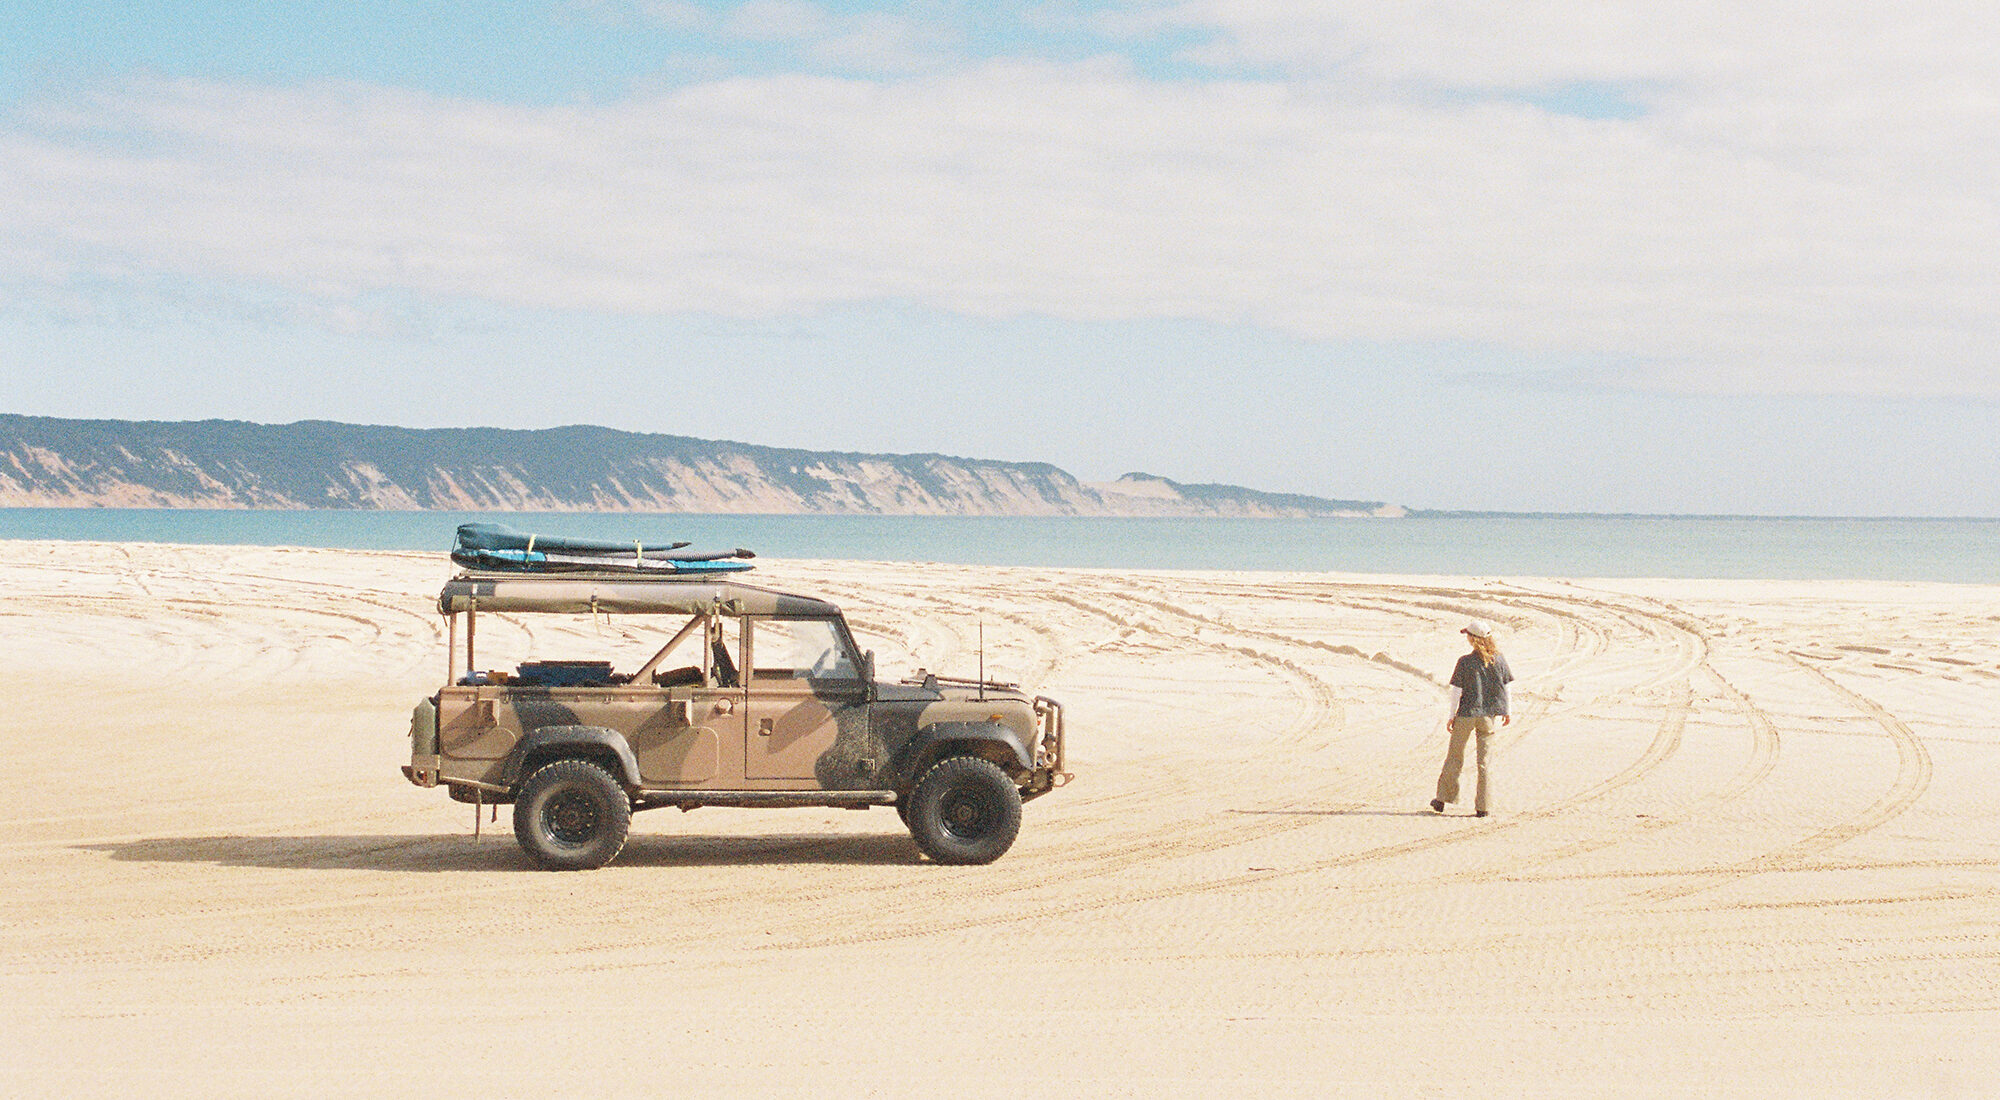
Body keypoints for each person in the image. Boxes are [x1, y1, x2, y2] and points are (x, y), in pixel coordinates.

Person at [1430, 619, 1512, 817]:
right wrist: (1507, 711)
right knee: (1485, 762)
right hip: (1488, 716)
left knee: (1455, 757)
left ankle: (1442, 799)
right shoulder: (1499, 659)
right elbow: (1507, 687)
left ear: (1474, 639)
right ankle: (1483, 807)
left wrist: (1451, 716)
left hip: (1467, 714)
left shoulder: (1465, 662)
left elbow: (1456, 692)